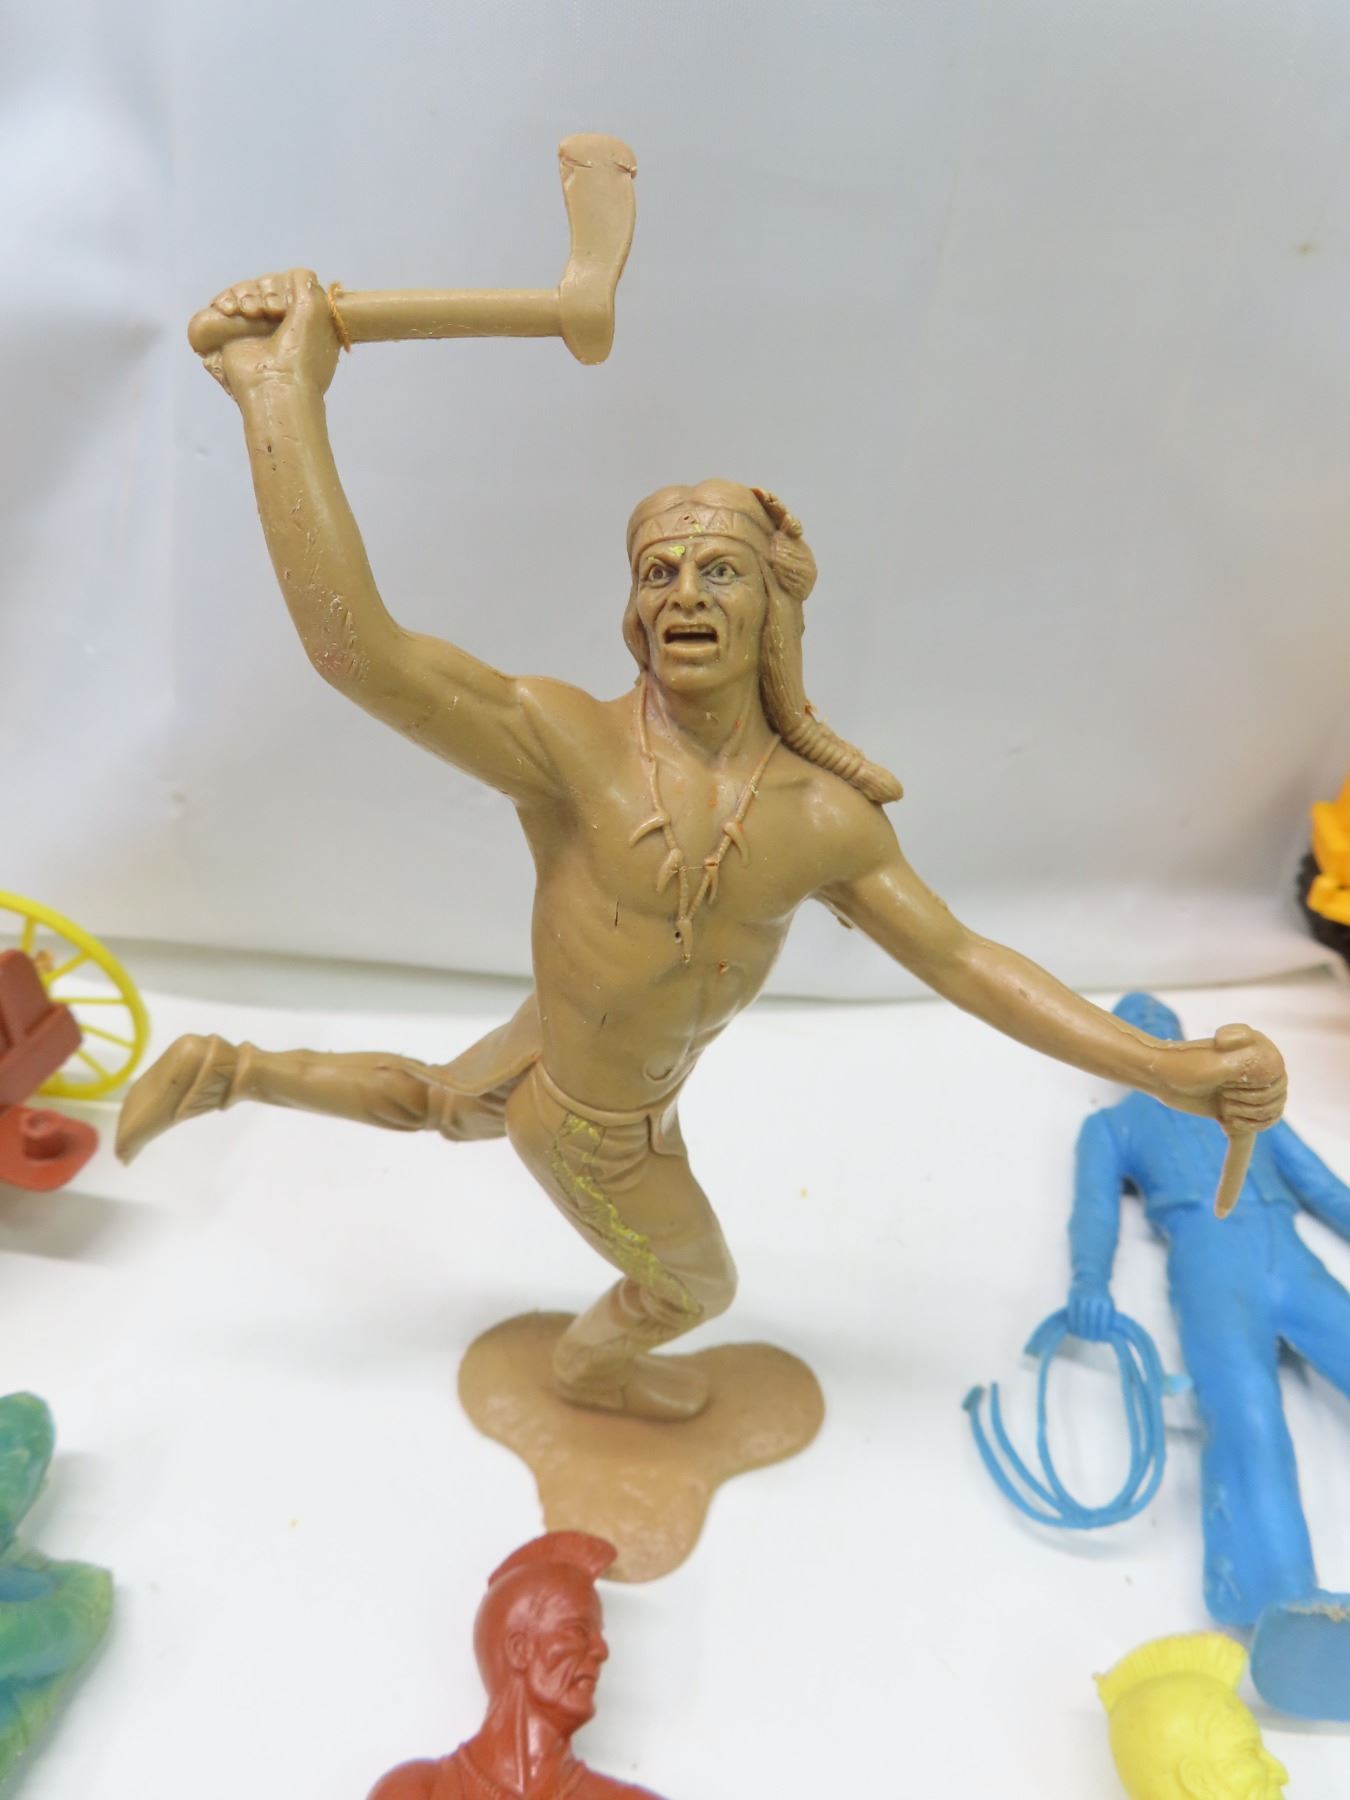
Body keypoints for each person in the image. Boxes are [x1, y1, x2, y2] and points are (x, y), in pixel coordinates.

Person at [118, 270, 1286, 1424]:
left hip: (558, 1040)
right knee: (694, 1288)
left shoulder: (822, 818)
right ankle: (588, 1373)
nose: (685, 594)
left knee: (439, 1102)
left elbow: (963, 961)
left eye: (718, 570)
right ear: (634, 612)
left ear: (774, 606)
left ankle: (230, 1069)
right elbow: (356, 651)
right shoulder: (569, 745)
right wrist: (280, 396)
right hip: (593, 1126)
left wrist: (1163, 1068)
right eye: (659, 573)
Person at [1070, 992, 1350, 1719]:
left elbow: (1319, 1182)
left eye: (1163, 1024)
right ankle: (1287, 1602)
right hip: (1208, 1262)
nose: (1155, 1034)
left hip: (1285, 1250)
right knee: (1246, 1416)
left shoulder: (1243, 1105)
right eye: (1137, 1029)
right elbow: (1095, 1211)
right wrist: (1089, 1283)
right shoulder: (1113, 1126)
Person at [367, 1533, 661, 1800]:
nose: (602, 1651)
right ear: (519, 1650)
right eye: (578, 1631)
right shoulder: (416, 1792)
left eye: (599, 1636)